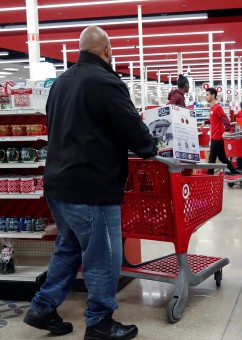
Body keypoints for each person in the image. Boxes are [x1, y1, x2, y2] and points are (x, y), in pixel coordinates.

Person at [23, 26, 157, 340]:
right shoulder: (107, 82)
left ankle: (43, 307)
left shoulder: (60, 83)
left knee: (69, 247)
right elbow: (131, 130)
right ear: (108, 50)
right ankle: (100, 323)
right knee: (102, 255)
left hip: (58, 185)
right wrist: (150, 147)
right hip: (91, 188)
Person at [203, 88, 238, 175]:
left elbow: (224, 118)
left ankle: (208, 178)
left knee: (212, 159)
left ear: (213, 95)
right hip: (216, 137)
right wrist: (205, 122)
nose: (206, 96)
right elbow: (213, 119)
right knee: (222, 158)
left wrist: (227, 129)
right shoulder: (212, 108)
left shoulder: (217, 107)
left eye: (207, 95)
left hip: (217, 138)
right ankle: (234, 172)